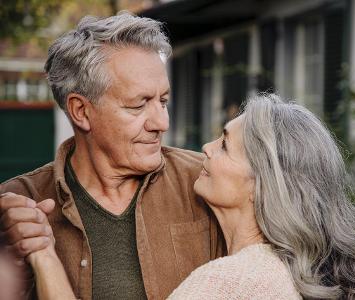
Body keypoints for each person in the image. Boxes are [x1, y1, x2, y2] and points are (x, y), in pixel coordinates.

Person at [27, 94, 355, 299]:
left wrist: (43, 253)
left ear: (261, 184)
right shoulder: (283, 274)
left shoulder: (233, 282)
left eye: (224, 145)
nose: (206, 149)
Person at [0, 12, 224, 300]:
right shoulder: (17, 207)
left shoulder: (206, 181)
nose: (161, 123)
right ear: (81, 111)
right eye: (138, 105)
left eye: (163, 101)